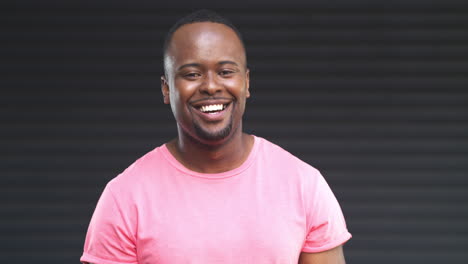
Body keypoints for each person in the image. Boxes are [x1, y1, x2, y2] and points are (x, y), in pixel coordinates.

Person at [80, 9, 351, 264]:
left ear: (246, 83)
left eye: (225, 72)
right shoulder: (124, 197)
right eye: (192, 74)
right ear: (166, 89)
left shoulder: (305, 186)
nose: (211, 86)